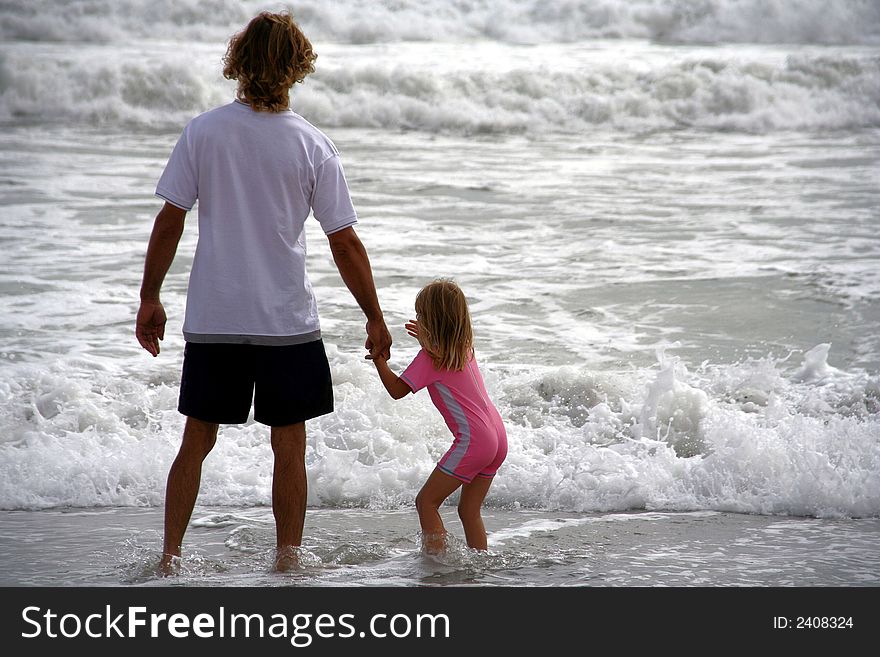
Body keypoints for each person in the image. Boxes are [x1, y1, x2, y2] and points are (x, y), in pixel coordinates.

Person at [135, 11, 391, 574]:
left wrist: (150, 296)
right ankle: (287, 561)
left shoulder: (203, 131)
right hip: (285, 320)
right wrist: (374, 316)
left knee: (197, 438)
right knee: (289, 444)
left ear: (239, 62)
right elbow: (344, 241)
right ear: (298, 66)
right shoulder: (312, 144)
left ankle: (170, 558)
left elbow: (170, 219)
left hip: (215, 315)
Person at [369, 279, 507, 553]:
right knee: (469, 511)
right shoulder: (464, 348)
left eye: (421, 315)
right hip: (498, 439)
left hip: (474, 443)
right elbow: (443, 345)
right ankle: (479, 564)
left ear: (432, 321)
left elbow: (397, 391)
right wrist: (428, 338)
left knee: (426, 503)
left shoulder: (430, 358)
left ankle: (438, 566)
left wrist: (379, 360)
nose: (417, 319)